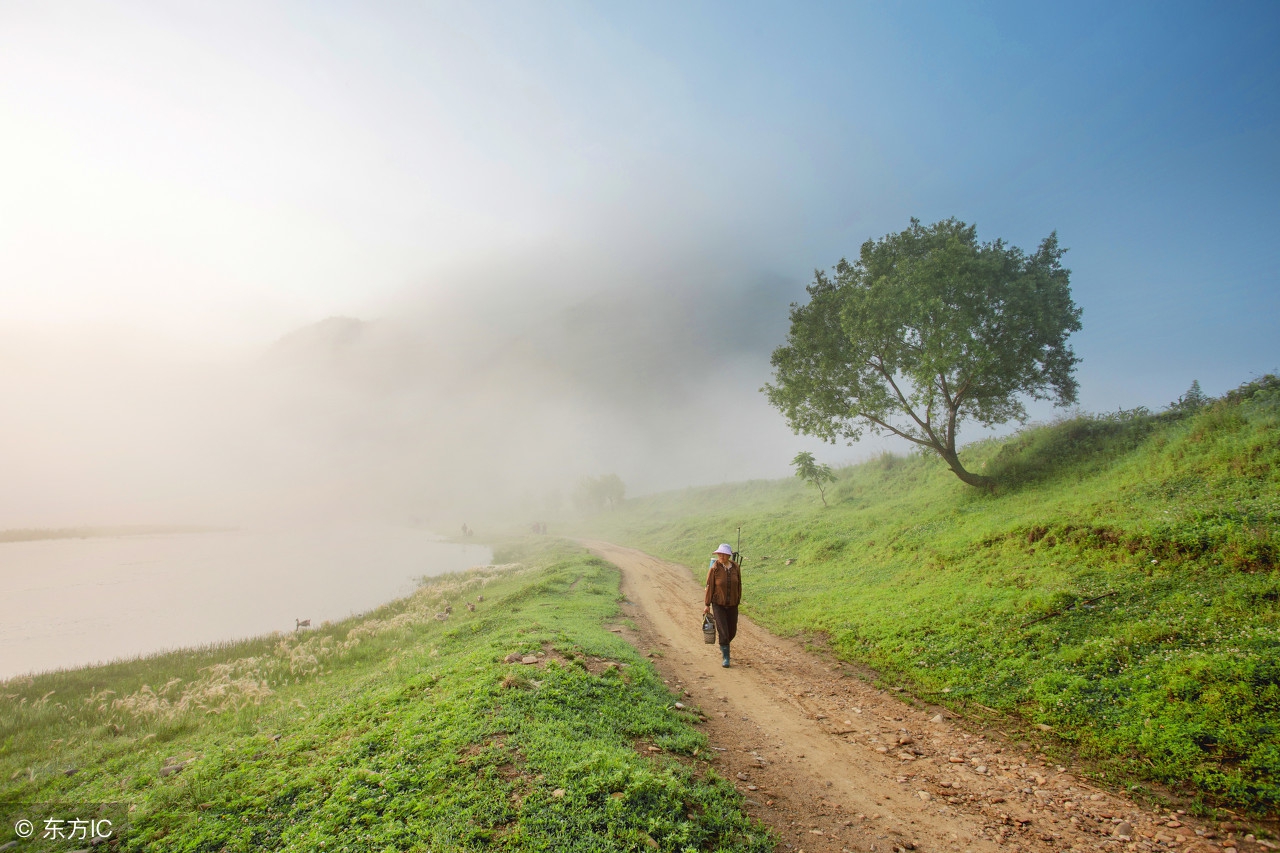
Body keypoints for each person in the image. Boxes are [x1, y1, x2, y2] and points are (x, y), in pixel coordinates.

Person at [703, 543, 742, 668]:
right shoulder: (715, 568)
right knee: (723, 631)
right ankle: (726, 657)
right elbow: (709, 587)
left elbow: (739, 584)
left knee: (732, 631)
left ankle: (724, 644)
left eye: (723, 554)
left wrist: (738, 599)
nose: (721, 556)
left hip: (733, 604)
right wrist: (707, 604)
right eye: (719, 554)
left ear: (728, 555)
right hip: (718, 604)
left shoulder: (735, 567)